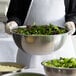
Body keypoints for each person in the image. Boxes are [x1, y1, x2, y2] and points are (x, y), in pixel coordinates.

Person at [5, 0, 76, 68]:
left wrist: (72, 22)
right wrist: (13, 22)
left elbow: (74, 12)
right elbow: (15, 12)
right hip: (28, 47)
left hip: (61, 45)